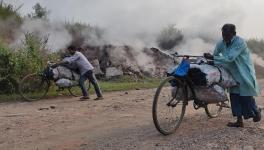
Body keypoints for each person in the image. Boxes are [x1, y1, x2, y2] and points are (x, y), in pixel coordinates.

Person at [204, 24, 261, 127]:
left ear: (234, 34)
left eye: (227, 35)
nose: (225, 37)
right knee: (234, 96)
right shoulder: (221, 43)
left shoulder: (240, 42)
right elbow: (216, 54)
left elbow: (230, 58)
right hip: (231, 72)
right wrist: (210, 58)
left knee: (245, 97)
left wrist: (213, 58)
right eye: (223, 35)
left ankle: (256, 111)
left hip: (243, 71)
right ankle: (239, 121)